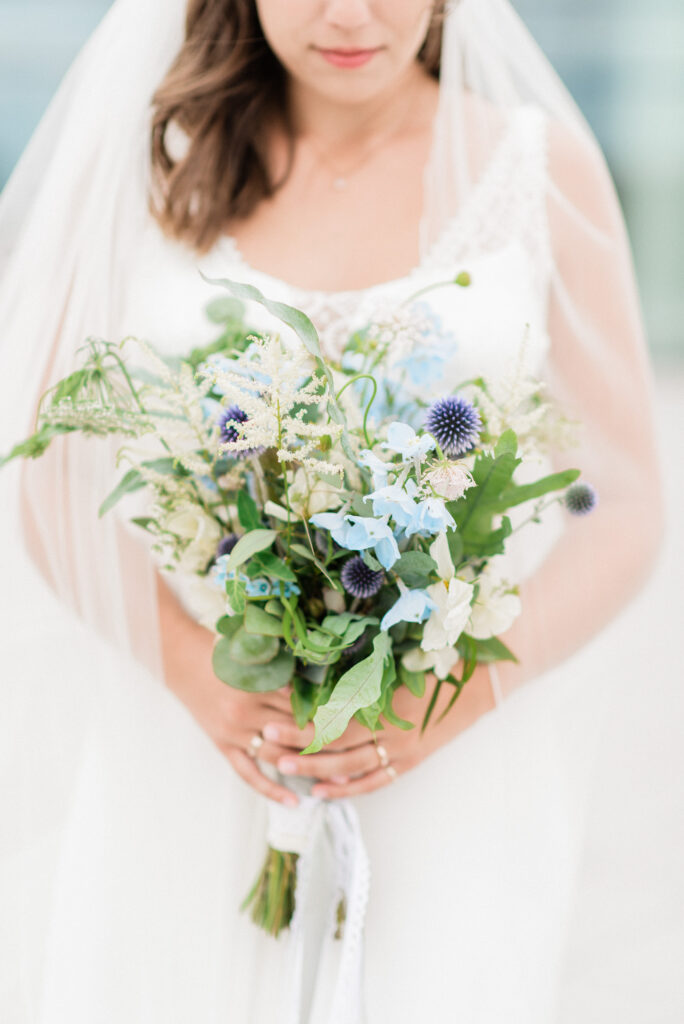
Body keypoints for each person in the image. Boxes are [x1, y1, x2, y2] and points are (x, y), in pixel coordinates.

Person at [0, 1, 663, 1022]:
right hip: (191, 740)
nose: (349, 15)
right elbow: (41, 468)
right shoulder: (154, 162)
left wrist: (442, 703)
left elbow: (622, 504)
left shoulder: (541, 170)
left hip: (444, 753)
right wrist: (192, 668)